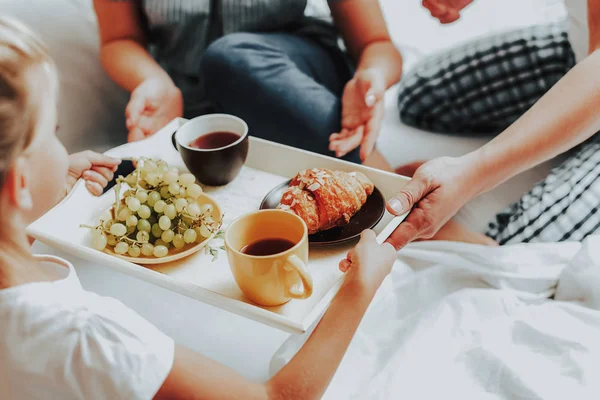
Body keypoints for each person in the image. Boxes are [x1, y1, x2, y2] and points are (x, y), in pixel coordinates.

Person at [0, 17, 397, 399]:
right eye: (54, 134)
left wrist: (34, 201)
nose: (62, 149)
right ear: (18, 182)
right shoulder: (86, 336)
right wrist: (358, 290)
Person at [384, 0, 600, 248]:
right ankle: (571, 129)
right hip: (580, 48)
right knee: (418, 98)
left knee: (520, 245)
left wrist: (471, 176)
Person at [94, 0, 402, 164]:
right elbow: (119, 38)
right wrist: (152, 79)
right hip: (195, 106)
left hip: (292, 82)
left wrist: (372, 75)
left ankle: (385, 181)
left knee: (230, 59)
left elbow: (376, 43)